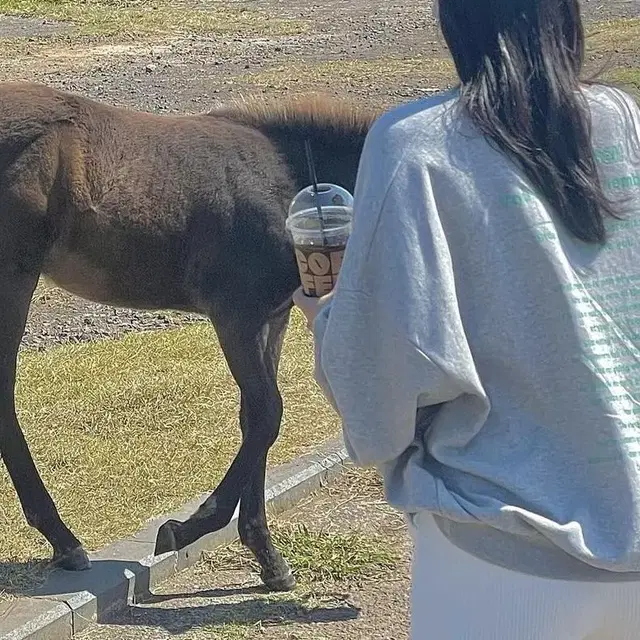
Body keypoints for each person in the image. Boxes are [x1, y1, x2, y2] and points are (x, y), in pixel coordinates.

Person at [293, 0, 640, 638]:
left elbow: (380, 400)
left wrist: (329, 320)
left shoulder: (414, 145)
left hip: (503, 562)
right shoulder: (620, 118)